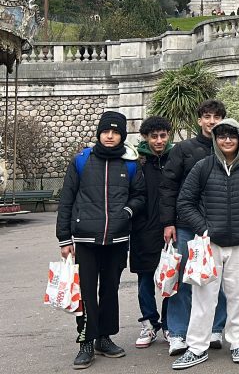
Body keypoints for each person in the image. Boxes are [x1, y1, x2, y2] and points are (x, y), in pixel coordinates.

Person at [172, 119, 239, 369]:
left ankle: (238, 342)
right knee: (203, 296)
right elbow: (185, 202)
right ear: (215, 140)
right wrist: (204, 229)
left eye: (232, 136)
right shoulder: (203, 166)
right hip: (209, 244)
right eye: (222, 136)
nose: (227, 140)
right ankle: (197, 347)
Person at [56, 111, 146, 369]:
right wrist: (64, 238)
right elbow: (67, 199)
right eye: (106, 131)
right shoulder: (82, 161)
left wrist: (126, 212)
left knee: (109, 290)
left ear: (122, 136)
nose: (110, 136)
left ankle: (104, 338)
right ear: (99, 133)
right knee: (85, 293)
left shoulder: (130, 164)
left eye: (115, 132)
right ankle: (86, 341)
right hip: (85, 239)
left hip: (117, 238)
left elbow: (140, 195)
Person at [160, 100, 229, 356]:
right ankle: (178, 332)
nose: (211, 121)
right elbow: (168, 186)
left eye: (216, 117)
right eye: (207, 117)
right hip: (186, 225)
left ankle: (215, 328)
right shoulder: (183, 149)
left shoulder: (229, 147)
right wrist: (168, 222)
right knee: (183, 278)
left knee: (216, 278)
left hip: (218, 225)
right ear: (199, 120)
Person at [132, 116, 174, 349]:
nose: (159, 141)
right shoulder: (137, 162)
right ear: (146, 138)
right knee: (145, 278)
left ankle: (169, 324)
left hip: (170, 228)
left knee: (171, 278)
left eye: (162, 136)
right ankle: (149, 323)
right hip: (142, 229)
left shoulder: (176, 159)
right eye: (154, 136)